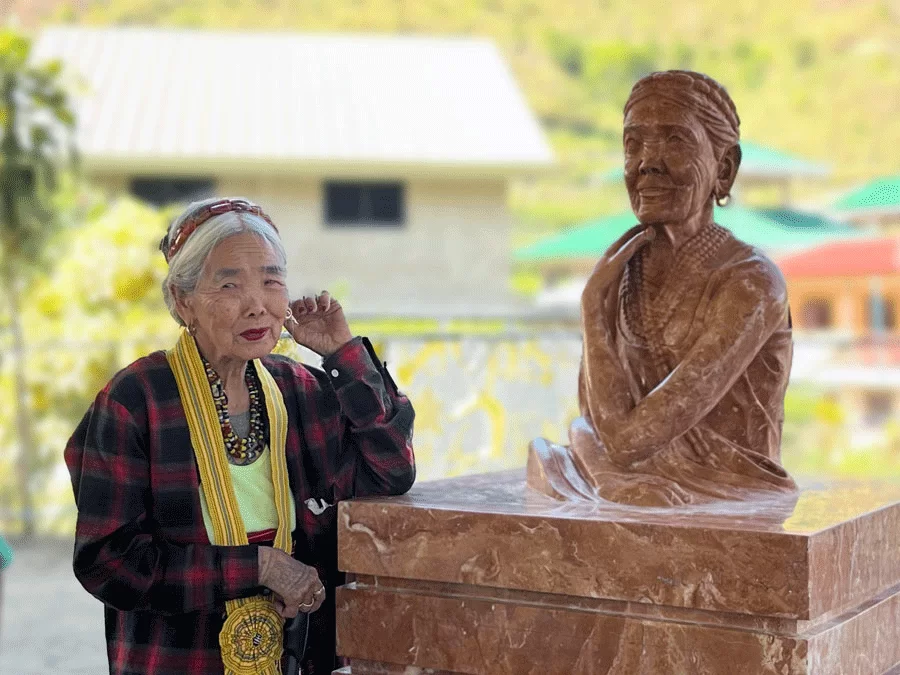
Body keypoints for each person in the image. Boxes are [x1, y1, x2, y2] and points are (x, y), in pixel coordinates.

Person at [64, 197, 415, 674]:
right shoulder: (136, 400)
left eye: (272, 281)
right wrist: (262, 568)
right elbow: (109, 562)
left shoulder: (302, 391)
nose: (257, 304)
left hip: (298, 657)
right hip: (180, 660)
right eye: (229, 284)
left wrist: (344, 355)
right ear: (182, 301)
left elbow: (390, 471)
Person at [528, 70, 797, 506]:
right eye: (633, 145)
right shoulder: (623, 274)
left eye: (675, 142)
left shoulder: (752, 283)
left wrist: (592, 309)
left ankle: (606, 483)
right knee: (555, 451)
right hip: (632, 473)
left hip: (730, 491)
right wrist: (598, 303)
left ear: (723, 170)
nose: (647, 162)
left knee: (560, 460)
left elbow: (625, 442)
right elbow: (591, 421)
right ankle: (608, 484)